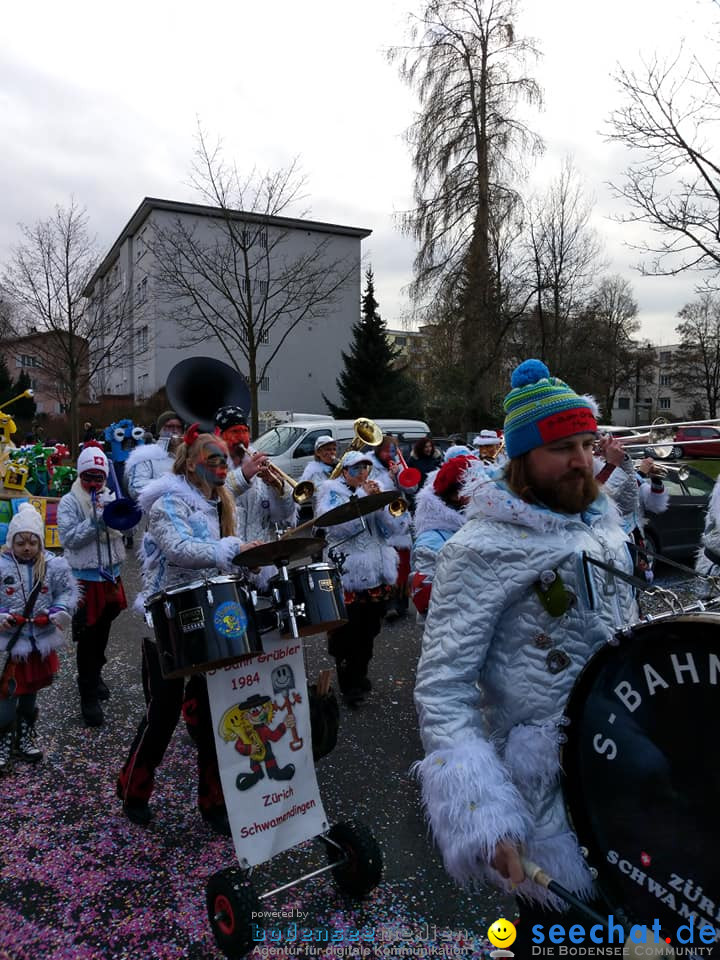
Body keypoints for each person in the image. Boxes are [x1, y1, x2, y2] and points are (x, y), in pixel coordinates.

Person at [414, 359, 637, 929]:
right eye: (563, 448)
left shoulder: (602, 524)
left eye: (587, 443)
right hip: (550, 799)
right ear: (523, 458)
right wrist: (483, 820)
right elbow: (443, 687)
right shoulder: (477, 548)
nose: (583, 461)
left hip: (628, 773)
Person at [116, 428, 257, 833]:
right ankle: (134, 788)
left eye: (222, 459)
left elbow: (226, 556)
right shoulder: (167, 503)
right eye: (211, 459)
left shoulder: (223, 502)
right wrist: (226, 552)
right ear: (190, 463)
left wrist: (252, 560)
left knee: (218, 713)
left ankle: (213, 801)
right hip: (167, 620)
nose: (220, 465)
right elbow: (179, 549)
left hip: (211, 613)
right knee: (161, 715)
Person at [316, 451, 406, 705]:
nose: (363, 474)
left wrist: (384, 504)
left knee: (370, 629)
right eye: (356, 470)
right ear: (344, 472)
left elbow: (393, 530)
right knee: (349, 632)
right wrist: (365, 499)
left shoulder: (375, 488)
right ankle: (349, 683)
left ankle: (360, 670)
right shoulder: (330, 491)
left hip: (376, 572)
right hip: (349, 572)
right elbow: (339, 526)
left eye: (365, 468)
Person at [0, 504, 78, 773]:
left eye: (33, 542)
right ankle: (4, 737)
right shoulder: (1, 566)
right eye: (20, 542)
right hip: (9, 644)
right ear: (11, 542)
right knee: (7, 694)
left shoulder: (53, 565)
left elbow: (67, 592)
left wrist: (60, 610)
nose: (27, 548)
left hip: (38, 643)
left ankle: (24, 734)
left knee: (30, 693)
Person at [57, 443, 127, 727]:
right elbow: (70, 538)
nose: (94, 483)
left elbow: (123, 530)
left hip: (111, 575)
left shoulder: (111, 495)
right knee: (87, 637)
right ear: (79, 475)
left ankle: (95, 674)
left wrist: (120, 515)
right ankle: (87, 691)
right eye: (88, 477)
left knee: (103, 632)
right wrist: (96, 519)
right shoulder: (69, 501)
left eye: (99, 477)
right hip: (85, 578)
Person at [409, 454, 475, 618]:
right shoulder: (430, 542)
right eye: (476, 487)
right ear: (456, 494)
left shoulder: (475, 523)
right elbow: (427, 603)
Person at [366, 434, 413, 619]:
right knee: (387, 562)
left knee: (403, 562)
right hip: (382, 517)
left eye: (393, 450)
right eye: (387, 450)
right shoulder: (369, 464)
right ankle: (388, 603)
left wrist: (402, 475)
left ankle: (402, 602)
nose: (391, 454)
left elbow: (411, 489)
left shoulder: (398, 462)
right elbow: (373, 490)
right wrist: (389, 476)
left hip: (400, 517)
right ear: (378, 450)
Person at [124, 410, 184, 500]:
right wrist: (170, 485)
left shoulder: (187, 457)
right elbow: (136, 489)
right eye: (170, 426)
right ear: (160, 430)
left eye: (179, 427)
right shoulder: (146, 456)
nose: (175, 431)